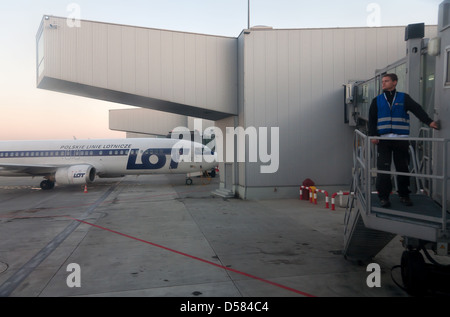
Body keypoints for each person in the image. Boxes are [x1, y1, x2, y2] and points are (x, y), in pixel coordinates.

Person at [368, 73, 439, 208]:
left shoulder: (403, 98)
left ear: (394, 82)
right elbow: (372, 120)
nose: (383, 83)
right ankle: (384, 197)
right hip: (383, 140)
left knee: (403, 168)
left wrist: (429, 122)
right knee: (383, 169)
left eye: (386, 81)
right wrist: (373, 135)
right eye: (382, 81)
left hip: (401, 140)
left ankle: (404, 195)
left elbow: (417, 109)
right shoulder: (376, 100)